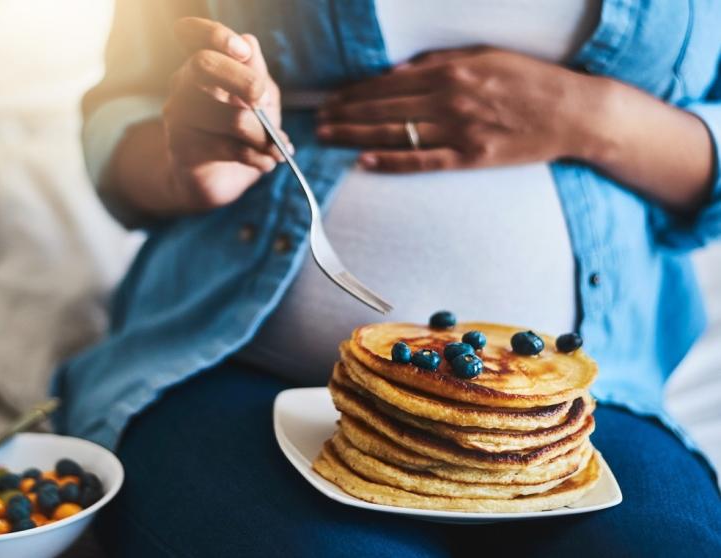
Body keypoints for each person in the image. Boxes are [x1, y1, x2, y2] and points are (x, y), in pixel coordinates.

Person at [54, 1, 721, 555]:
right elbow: (120, 110)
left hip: (579, 410)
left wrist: (594, 119)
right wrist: (182, 160)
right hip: (236, 369)